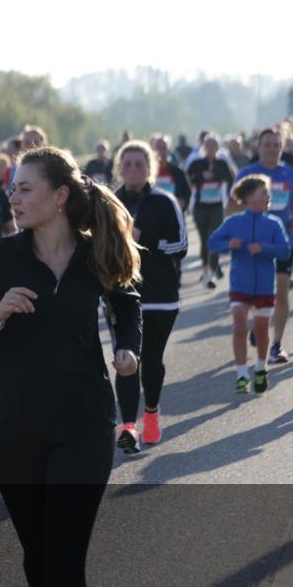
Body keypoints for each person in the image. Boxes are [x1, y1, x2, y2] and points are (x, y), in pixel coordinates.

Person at [0, 146, 141, 587]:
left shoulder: (94, 252)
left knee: (64, 551)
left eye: (25, 188)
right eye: (11, 188)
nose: (12, 197)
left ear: (59, 196)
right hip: (16, 427)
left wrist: (127, 349)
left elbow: (127, 303)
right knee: (37, 553)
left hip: (85, 423)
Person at [112, 141, 186, 453]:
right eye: (126, 164)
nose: (132, 169)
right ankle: (128, 426)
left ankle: (152, 414)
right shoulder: (111, 202)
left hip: (160, 295)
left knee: (151, 361)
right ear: (119, 168)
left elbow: (180, 246)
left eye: (138, 164)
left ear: (149, 168)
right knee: (125, 360)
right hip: (122, 294)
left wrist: (147, 244)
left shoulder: (164, 201)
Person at [208, 175, 291, 394]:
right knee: (239, 326)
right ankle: (242, 374)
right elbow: (212, 242)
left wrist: (263, 248)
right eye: (263, 192)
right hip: (240, 285)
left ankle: (261, 368)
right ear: (249, 197)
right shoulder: (234, 222)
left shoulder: (274, 223)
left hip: (264, 286)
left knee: (262, 330)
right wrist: (229, 244)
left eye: (267, 193)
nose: (267, 195)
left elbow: (285, 251)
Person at [235, 127, 293, 363]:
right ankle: (259, 327)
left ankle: (277, 344)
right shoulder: (248, 174)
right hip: (253, 244)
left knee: (282, 289)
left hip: (283, 240)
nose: (272, 149)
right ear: (258, 146)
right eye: (267, 144)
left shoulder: (290, 173)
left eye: (277, 145)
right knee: (258, 292)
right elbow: (233, 205)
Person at [187, 135, 235, 288]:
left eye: (214, 145)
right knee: (203, 240)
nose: (211, 148)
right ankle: (205, 269)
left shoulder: (221, 163)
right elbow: (188, 179)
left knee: (213, 237)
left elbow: (230, 179)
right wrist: (201, 176)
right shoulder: (196, 163)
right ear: (204, 147)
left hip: (217, 206)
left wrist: (231, 197)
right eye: (208, 145)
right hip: (200, 207)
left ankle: (212, 273)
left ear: (218, 148)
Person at [151, 136, 192, 212]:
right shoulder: (146, 173)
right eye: (158, 147)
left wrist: (183, 202)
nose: (160, 151)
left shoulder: (178, 172)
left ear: (169, 150)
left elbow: (187, 193)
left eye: (164, 147)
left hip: (173, 214)